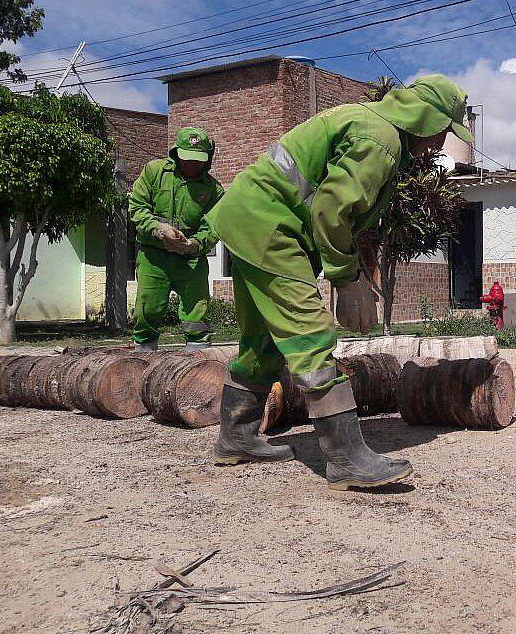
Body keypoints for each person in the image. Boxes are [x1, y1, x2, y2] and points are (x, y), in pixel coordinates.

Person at [206, 74, 472, 490]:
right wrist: (346, 280)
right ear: (424, 117)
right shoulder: (380, 140)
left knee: (262, 339)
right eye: (442, 130)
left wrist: (358, 271)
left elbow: (345, 214)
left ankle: (236, 437)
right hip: (269, 229)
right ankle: (346, 459)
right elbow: (330, 211)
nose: (440, 144)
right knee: (310, 334)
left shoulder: (368, 124)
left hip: (246, 222)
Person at [128, 127, 225, 352]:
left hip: (191, 261)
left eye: (198, 160)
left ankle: (199, 359)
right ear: (175, 153)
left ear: (208, 158)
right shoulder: (153, 172)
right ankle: (143, 357)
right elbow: (137, 207)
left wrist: (193, 245)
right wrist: (158, 228)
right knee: (147, 310)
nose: (192, 164)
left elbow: (213, 227)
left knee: (197, 313)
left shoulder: (214, 190)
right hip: (154, 257)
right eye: (187, 159)